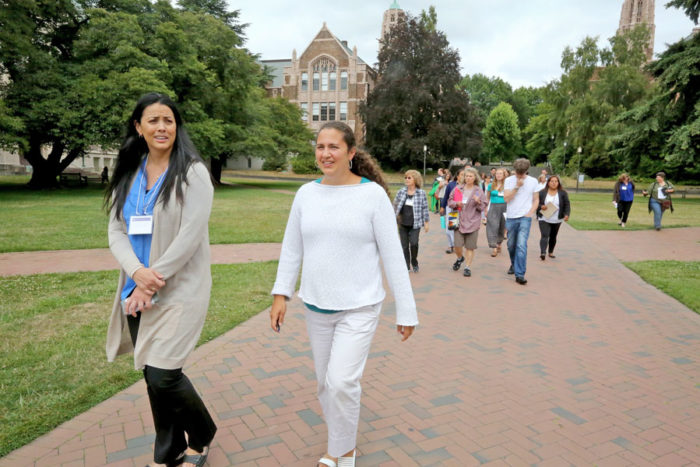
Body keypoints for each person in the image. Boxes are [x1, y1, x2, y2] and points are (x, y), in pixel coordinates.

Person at [269, 121, 418, 467]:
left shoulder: (372, 195)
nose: (326, 153)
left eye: (334, 147)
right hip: (317, 306)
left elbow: (394, 256)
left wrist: (406, 311)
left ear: (351, 153)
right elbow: (292, 248)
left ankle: (343, 454)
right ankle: (339, 445)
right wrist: (281, 294)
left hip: (360, 306)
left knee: (341, 381)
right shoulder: (306, 194)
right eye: (320, 147)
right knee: (325, 385)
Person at [105, 93, 216, 467]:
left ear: (176, 126)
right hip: (136, 291)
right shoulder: (130, 172)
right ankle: (169, 452)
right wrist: (136, 273)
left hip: (181, 290)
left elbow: (190, 236)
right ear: (139, 127)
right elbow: (116, 230)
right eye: (152, 120)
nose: (161, 127)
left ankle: (203, 434)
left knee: (164, 375)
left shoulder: (193, 172)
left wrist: (149, 281)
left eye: (168, 120)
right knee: (153, 380)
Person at [503, 158, 539, 285]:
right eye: (518, 172)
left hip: (525, 217)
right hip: (511, 217)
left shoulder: (533, 181)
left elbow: (536, 199)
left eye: (522, 172)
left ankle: (520, 274)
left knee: (521, 245)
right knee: (511, 245)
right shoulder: (508, 180)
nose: (519, 174)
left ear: (526, 170)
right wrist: (517, 187)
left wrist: (530, 213)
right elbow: (506, 199)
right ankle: (514, 264)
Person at [447, 167, 486, 277]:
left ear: (475, 178)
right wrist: (456, 203)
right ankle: (460, 258)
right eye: (466, 176)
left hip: (473, 221)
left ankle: (467, 267)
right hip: (457, 220)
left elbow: (483, 206)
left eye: (470, 176)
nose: (468, 178)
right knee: (457, 245)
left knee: (470, 247)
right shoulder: (457, 189)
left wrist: (478, 202)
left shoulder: (478, 190)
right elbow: (450, 202)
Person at [394, 169, 430, 272]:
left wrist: (426, 222)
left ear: (415, 179)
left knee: (414, 243)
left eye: (409, 177)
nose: (407, 179)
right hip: (402, 223)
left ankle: (414, 261)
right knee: (404, 246)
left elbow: (425, 208)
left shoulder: (421, 193)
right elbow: (395, 206)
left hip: (415, 223)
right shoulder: (401, 192)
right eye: (405, 177)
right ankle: (406, 265)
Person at [536, 175, 571, 260]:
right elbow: (536, 203)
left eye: (556, 181)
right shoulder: (542, 192)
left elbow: (567, 204)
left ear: (558, 183)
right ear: (548, 182)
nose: (554, 183)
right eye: (552, 181)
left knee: (553, 236)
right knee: (545, 235)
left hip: (557, 218)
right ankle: (543, 252)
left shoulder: (563, 193)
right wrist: (541, 206)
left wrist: (567, 214)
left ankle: (551, 251)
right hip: (544, 217)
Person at [486, 167, 507, 257]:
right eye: (497, 173)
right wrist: (485, 208)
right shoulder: (491, 185)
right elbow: (487, 198)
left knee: (502, 227)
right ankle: (493, 246)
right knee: (492, 226)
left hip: (504, 207)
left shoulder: (507, 185)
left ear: (504, 175)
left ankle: (499, 243)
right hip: (493, 206)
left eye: (500, 173)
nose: (498, 175)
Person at [441, 169, 463, 254]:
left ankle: (457, 244)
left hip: (463, 210)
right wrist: (442, 206)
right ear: (457, 176)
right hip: (452, 209)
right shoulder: (451, 185)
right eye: (461, 174)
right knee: (450, 228)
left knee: (460, 228)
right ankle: (451, 245)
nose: (463, 176)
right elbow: (446, 196)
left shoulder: (467, 185)